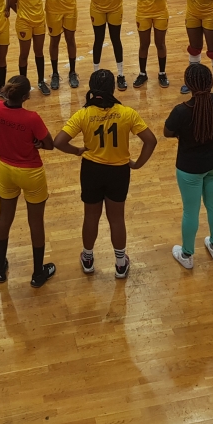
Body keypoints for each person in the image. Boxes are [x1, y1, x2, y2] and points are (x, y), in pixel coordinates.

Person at [54, 70, 157, 278]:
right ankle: (120, 263)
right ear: (112, 89)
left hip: (92, 171)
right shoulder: (127, 113)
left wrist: (76, 151)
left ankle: (88, 258)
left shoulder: (83, 114)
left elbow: (58, 142)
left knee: (91, 216)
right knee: (116, 218)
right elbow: (151, 140)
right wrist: (137, 165)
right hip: (118, 172)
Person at [0, 75, 56, 287]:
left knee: (4, 218)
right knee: (35, 222)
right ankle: (38, 274)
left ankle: (0, 268)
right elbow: (49, 144)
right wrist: (37, 142)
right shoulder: (32, 118)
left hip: (6, 170)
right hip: (31, 172)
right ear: (27, 96)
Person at [164, 64, 213, 269]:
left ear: (188, 85)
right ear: (210, 82)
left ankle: (187, 254)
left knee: (191, 211)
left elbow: (167, 132)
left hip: (189, 167)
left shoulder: (181, 110)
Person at [7, 0, 50, 95]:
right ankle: (23, 85)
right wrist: (21, 13)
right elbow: (11, 1)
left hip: (39, 21)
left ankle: (41, 81)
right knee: (24, 54)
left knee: (39, 52)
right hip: (23, 23)